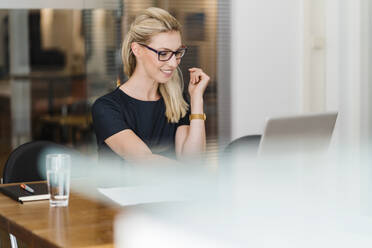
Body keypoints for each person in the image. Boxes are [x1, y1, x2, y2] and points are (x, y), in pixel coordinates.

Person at [92, 7, 209, 164]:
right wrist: (190, 174)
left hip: (165, 189)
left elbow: (193, 160)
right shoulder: (106, 107)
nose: (174, 63)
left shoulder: (176, 102)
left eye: (177, 53)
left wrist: (196, 100)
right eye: (163, 53)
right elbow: (145, 162)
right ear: (137, 50)